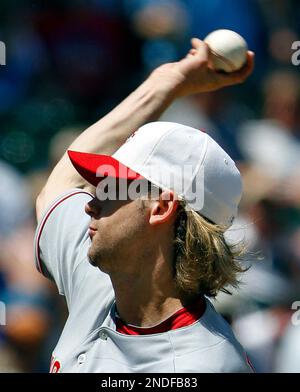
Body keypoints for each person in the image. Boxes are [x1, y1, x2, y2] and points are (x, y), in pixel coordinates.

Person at [35, 38, 255, 373]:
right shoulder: (102, 280)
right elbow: (62, 182)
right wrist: (166, 84)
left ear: (161, 208)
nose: (90, 204)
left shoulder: (206, 364)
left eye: (109, 189)